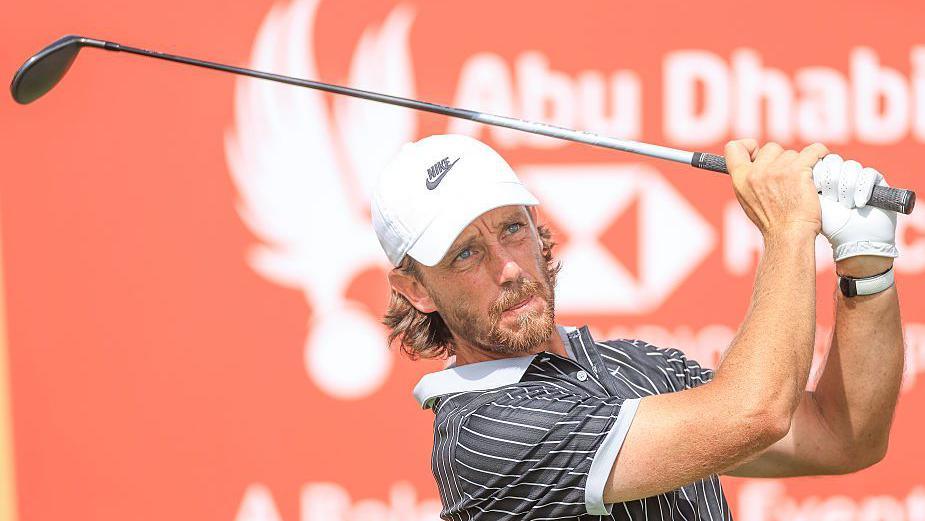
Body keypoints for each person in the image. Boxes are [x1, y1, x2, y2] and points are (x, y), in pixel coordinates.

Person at [370, 134, 903, 520]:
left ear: (538, 230)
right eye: (465, 254)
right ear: (415, 289)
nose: (507, 267)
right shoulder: (483, 433)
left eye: (512, 228)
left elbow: (841, 437)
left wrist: (866, 262)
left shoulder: (631, 364)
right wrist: (789, 227)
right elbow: (754, 413)